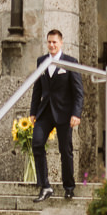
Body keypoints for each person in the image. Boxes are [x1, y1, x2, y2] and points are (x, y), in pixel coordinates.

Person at [29, 27, 84, 203]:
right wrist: (33, 111)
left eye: (54, 42)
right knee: (37, 143)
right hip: (45, 111)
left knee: (65, 150)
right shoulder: (41, 61)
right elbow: (37, 88)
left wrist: (76, 113)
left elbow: (78, 92)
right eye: (49, 42)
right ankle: (45, 186)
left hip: (64, 113)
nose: (51, 45)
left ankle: (69, 187)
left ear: (61, 43)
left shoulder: (70, 62)